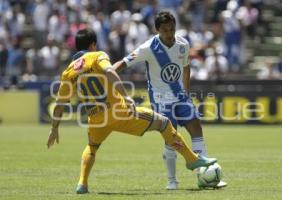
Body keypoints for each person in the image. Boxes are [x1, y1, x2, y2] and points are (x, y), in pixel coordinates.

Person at [46, 28, 217, 194]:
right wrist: (125, 96)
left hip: (96, 119)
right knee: (164, 123)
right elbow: (109, 71)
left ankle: (82, 184)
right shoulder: (97, 56)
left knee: (92, 147)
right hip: (120, 112)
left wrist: (54, 128)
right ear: (93, 45)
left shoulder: (68, 71)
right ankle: (192, 160)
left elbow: (60, 103)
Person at [112, 11, 227, 189]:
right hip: (160, 99)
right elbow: (123, 63)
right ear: (157, 30)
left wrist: (186, 92)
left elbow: (186, 67)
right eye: (165, 30)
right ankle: (172, 181)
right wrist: (108, 72)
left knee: (196, 125)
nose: (169, 33)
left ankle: (203, 174)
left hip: (180, 95)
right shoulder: (148, 48)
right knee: (171, 138)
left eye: (172, 29)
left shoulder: (182, 44)